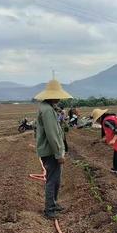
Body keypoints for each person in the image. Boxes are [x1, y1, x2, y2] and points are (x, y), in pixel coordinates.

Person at [34, 79, 73, 219]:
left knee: (56, 179)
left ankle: (54, 203)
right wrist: (58, 153)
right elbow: (51, 134)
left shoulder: (47, 107)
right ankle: (49, 209)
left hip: (50, 151)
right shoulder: (47, 111)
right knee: (52, 179)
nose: (59, 98)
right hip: (50, 151)